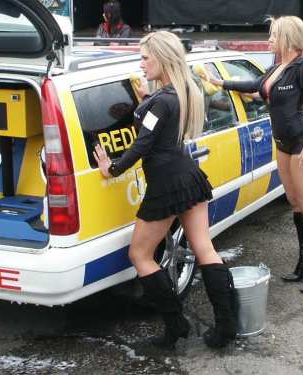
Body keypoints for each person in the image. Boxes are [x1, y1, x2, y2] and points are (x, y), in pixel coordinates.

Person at [93, 31, 237, 349]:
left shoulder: (162, 101)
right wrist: (145, 100)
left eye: (145, 57)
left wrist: (112, 168)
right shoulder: (183, 91)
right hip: (188, 176)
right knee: (204, 248)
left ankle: (175, 325)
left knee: (140, 254)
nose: (141, 64)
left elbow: (142, 145)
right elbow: (156, 128)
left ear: (162, 57)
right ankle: (226, 326)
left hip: (167, 184)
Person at [209, 16, 303, 295]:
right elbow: (256, 85)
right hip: (282, 142)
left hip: (302, 141)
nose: (268, 40)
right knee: (294, 202)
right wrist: (220, 82)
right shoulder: (278, 66)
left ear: (287, 38)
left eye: (273, 35)